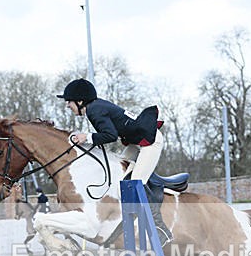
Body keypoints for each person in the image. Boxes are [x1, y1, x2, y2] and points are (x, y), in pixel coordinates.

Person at [57, 78, 172, 245]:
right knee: (119, 169)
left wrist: (86, 137)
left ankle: (160, 229)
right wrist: (87, 138)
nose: (68, 105)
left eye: (69, 102)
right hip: (135, 141)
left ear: (80, 101)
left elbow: (110, 136)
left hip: (150, 141)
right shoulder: (96, 107)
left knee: (134, 183)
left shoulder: (94, 110)